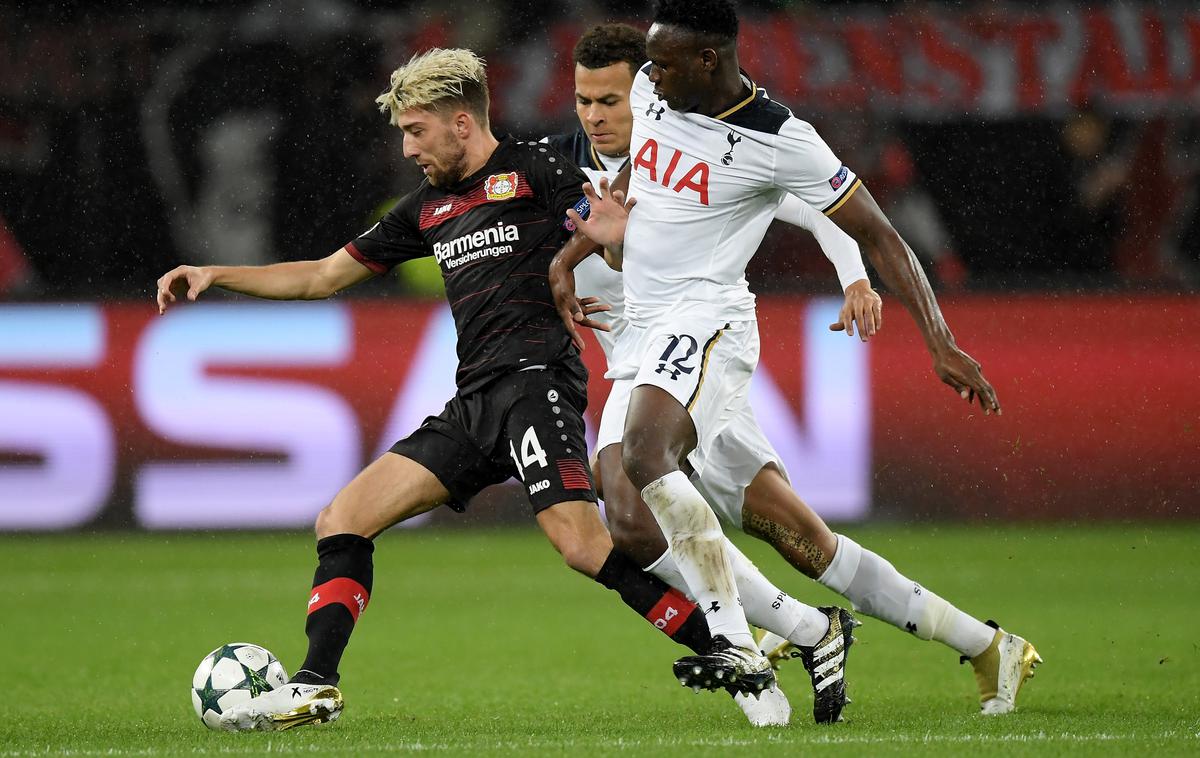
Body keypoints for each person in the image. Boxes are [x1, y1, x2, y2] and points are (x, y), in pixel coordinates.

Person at [154, 48, 731, 733]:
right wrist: (217, 274)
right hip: (474, 403)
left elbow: (615, 238)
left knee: (580, 545)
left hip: (535, 384)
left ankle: (724, 647)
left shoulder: (537, 170)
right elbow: (320, 277)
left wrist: (614, 242)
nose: (406, 149)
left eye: (416, 131)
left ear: (462, 123)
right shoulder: (425, 209)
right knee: (342, 519)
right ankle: (315, 685)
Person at [550, 3, 1041, 719]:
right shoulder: (659, 94)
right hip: (648, 344)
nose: (649, 77)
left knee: (639, 464)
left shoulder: (782, 141)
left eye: (664, 62)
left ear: (710, 60)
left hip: (709, 325)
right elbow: (636, 187)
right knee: (805, 545)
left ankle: (735, 645)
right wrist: (571, 258)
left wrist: (938, 338)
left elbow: (874, 231)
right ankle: (985, 644)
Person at [544, 22, 872, 726]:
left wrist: (854, 279)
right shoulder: (563, 171)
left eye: (610, 99)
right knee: (630, 522)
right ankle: (808, 631)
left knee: (794, 534)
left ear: (650, 88)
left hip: (699, 348)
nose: (595, 115)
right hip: (633, 367)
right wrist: (559, 265)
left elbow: (821, 209)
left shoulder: (707, 157)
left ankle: (759, 639)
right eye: (583, 101)